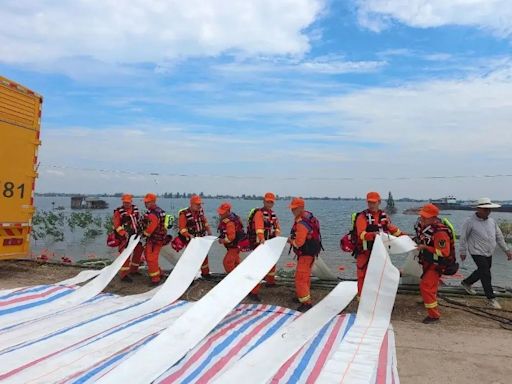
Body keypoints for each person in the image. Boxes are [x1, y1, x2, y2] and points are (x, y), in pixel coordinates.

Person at [459, 197, 512, 309]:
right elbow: (463, 237)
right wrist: (462, 251)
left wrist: (507, 250)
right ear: (478, 209)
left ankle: (466, 282)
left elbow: (499, 236)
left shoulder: (492, 222)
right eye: (485, 209)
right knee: (486, 273)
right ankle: (490, 298)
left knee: (484, 270)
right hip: (476, 251)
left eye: (489, 209)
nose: (488, 211)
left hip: (488, 251)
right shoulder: (469, 222)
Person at [354, 191, 402, 296]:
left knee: (381, 275)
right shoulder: (362, 217)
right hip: (365, 251)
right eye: (369, 202)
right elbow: (361, 234)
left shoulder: (384, 216)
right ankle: (362, 299)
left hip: (380, 251)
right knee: (362, 275)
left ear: (379, 202)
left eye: (373, 202)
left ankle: (378, 298)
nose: (371, 205)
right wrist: (373, 235)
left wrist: (404, 237)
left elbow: (391, 228)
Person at [414, 203, 454, 324]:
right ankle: (428, 301)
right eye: (422, 216)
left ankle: (434, 315)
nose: (422, 219)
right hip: (428, 262)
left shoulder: (440, 232)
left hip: (437, 264)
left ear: (433, 218)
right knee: (430, 287)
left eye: (425, 217)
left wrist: (425, 248)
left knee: (425, 286)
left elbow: (444, 252)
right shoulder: (425, 227)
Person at [288, 197, 322, 312]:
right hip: (311, 253)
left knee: (300, 278)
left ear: (301, 208)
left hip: (306, 254)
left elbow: (299, 243)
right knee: (306, 276)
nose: (292, 211)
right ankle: (303, 297)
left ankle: (306, 304)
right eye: (292, 209)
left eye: (295, 209)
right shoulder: (309, 217)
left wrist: (290, 241)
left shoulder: (302, 223)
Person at [246, 192, 282, 301]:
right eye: (268, 201)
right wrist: (261, 238)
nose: (269, 203)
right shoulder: (259, 214)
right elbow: (259, 228)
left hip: (269, 243)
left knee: (272, 263)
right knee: (258, 267)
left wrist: (276, 234)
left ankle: (270, 282)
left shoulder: (273, 214)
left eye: (271, 202)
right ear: (263, 201)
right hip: (260, 243)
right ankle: (253, 292)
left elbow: (277, 227)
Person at [177, 194, 212, 278]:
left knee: (204, 256)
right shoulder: (184, 214)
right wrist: (189, 235)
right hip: (191, 240)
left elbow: (204, 221)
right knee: (191, 259)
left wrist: (208, 230)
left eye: (200, 204)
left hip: (201, 238)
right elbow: (182, 229)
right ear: (192, 204)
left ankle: (205, 273)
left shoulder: (200, 211)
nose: (199, 206)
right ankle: (189, 277)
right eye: (197, 204)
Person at [112, 194, 144, 282]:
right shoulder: (118, 212)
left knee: (139, 250)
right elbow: (116, 225)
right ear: (123, 202)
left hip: (135, 235)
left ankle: (134, 270)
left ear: (131, 201)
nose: (127, 204)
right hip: (124, 237)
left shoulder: (135, 209)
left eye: (128, 202)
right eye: (125, 202)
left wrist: (141, 230)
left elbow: (138, 221)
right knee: (125, 255)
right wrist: (123, 233)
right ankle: (123, 275)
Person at [140, 193, 167, 286]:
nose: (146, 204)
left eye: (148, 202)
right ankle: (159, 273)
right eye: (145, 202)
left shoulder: (153, 214)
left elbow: (151, 227)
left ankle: (155, 279)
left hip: (154, 240)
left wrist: (143, 234)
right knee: (151, 257)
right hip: (159, 238)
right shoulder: (160, 211)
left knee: (151, 258)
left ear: (153, 202)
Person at [217, 202, 245, 274]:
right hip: (238, 244)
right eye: (220, 212)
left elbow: (231, 238)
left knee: (227, 262)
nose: (220, 214)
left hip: (234, 245)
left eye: (222, 212)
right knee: (235, 261)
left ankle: (232, 278)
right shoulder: (234, 218)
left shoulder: (229, 223)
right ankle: (239, 275)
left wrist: (222, 241)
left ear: (228, 212)